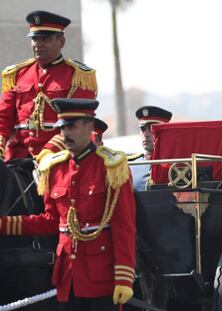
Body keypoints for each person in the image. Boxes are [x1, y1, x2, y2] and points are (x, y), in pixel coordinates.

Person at [0, 98, 136, 310]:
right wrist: (3, 224)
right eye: (62, 128)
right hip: (66, 276)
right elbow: (50, 221)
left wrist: (124, 277)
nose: (65, 134)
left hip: (101, 276)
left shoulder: (111, 167)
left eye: (71, 126)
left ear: (89, 126)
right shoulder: (55, 168)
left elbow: (123, 227)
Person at [0, 10, 97, 162]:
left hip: (57, 158)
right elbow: (3, 117)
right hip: (17, 157)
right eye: (35, 39)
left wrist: (48, 153)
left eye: (45, 39)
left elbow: (76, 122)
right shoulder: (17, 74)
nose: (38, 44)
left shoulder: (79, 76)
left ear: (61, 41)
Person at [128, 105, 172, 191]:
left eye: (152, 129)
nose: (146, 134)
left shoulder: (177, 164)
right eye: (142, 129)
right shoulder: (129, 165)